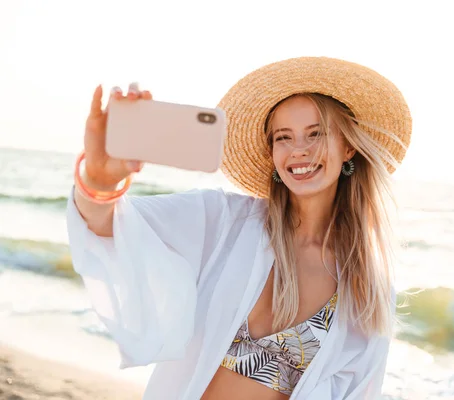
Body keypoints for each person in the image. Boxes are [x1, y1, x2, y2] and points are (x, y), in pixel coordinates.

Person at [66, 56, 412, 400]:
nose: (299, 151)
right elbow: (108, 224)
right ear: (271, 151)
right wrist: (99, 179)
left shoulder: (365, 285)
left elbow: (360, 392)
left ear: (348, 146)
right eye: (283, 137)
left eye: (316, 134)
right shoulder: (224, 220)